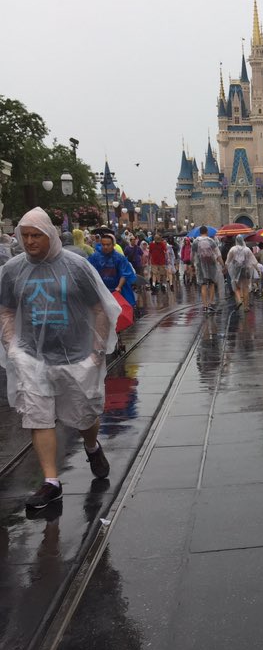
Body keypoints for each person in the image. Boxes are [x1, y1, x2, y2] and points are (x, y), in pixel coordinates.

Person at [0, 208, 119, 511]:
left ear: (50, 235)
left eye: (36, 235)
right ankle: (51, 482)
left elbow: (100, 308)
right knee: (37, 416)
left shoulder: (75, 267)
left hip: (75, 354)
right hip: (32, 357)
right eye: (25, 235)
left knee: (84, 415)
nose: (29, 241)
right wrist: (12, 347)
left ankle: (91, 445)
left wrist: (96, 351)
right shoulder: (12, 270)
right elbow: (7, 310)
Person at [88, 232, 137, 308]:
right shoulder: (94, 257)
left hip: (116, 291)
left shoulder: (119, 258)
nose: (105, 247)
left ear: (113, 245)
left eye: (108, 245)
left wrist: (119, 287)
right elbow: (89, 271)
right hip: (101, 291)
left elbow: (125, 273)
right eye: (103, 244)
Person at [193, 226, 223, 312]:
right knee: (211, 284)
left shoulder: (195, 242)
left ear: (199, 232)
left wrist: (192, 264)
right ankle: (211, 303)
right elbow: (218, 254)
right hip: (211, 264)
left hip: (200, 264)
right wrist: (222, 264)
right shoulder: (211, 241)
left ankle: (205, 305)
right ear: (207, 232)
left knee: (203, 284)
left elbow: (192, 254)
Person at [226, 235, 260, 310]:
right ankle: (246, 306)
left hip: (236, 271)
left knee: (236, 287)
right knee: (245, 288)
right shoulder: (247, 249)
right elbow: (253, 261)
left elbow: (228, 261)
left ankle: (239, 300)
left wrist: (225, 268)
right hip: (246, 270)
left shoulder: (232, 249)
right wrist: (258, 270)